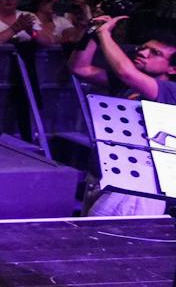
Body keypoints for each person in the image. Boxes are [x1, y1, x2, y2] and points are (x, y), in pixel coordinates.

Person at [70, 16, 176, 216]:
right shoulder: (130, 85)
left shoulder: (171, 91)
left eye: (155, 53)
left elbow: (125, 71)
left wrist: (104, 34)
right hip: (103, 177)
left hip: (136, 188)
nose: (142, 53)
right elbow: (79, 67)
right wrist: (92, 33)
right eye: (143, 47)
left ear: (172, 68)